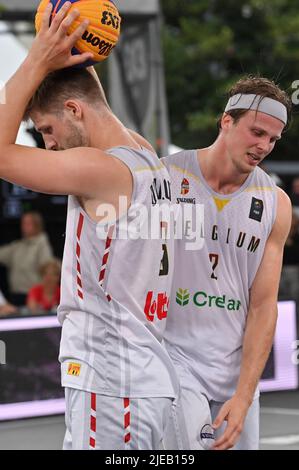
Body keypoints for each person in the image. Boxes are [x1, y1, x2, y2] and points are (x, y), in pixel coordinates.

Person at [0, 4, 178, 449]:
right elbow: (92, 102)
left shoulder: (100, 169)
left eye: (44, 129)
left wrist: (37, 58)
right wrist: (78, 52)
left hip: (110, 381)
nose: (48, 143)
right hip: (146, 378)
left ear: (75, 111)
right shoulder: (146, 158)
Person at [162, 77, 292, 450]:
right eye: (257, 132)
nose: (264, 146)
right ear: (226, 121)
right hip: (175, 359)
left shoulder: (274, 202)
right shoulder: (166, 177)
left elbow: (264, 304)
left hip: (235, 373)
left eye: (272, 139)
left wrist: (245, 394)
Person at [0, 211, 53, 306]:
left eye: (28, 223)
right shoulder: (17, 246)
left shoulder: (42, 245)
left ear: (37, 225)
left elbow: (48, 271)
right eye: (23, 223)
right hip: (16, 296)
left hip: (34, 296)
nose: (24, 226)